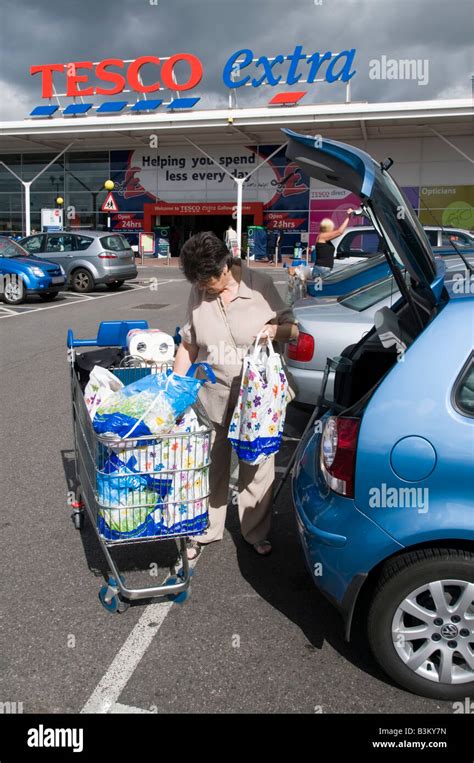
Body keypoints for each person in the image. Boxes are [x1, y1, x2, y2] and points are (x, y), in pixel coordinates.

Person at [174, 231, 298, 559]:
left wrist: (274, 330)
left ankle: (254, 530)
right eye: (197, 284)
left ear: (224, 269)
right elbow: (189, 343)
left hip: (255, 400)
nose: (201, 289)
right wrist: (173, 386)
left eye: (205, 283)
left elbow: (293, 329)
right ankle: (206, 529)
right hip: (211, 394)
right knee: (210, 465)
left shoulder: (260, 286)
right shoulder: (198, 292)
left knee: (256, 467)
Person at [312, 209, 354, 277]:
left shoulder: (324, 238)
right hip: (322, 269)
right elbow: (339, 232)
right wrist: (348, 217)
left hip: (323, 269)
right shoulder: (322, 236)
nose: (333, 229)